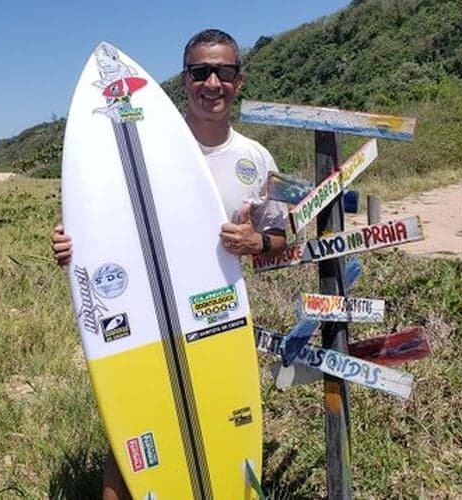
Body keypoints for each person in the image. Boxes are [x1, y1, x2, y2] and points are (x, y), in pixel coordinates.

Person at [51, 28, 287, 500]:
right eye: (201, 72)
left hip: (216, 321)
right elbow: (100, 229)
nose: (213, 83)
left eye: (224, 72)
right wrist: (68, 248)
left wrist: (256, 239)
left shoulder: (257, 160)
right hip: (140, 326)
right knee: (134, 452)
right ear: (185, 80)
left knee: (222, 438)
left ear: (239, 81)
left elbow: (280, 238)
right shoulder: (140, 146)